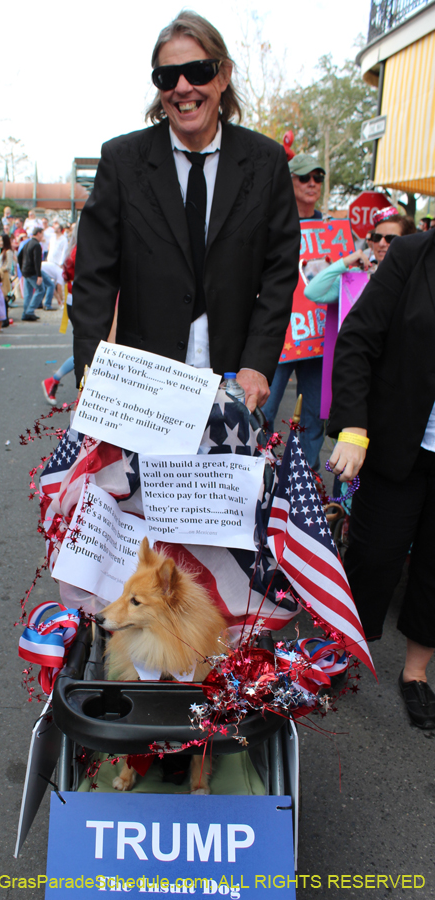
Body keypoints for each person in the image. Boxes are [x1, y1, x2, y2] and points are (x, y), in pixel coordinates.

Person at [70, 12, 300, 407]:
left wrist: (258, 363)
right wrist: (92, 375)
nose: (182, 87)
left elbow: (279, 272)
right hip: (143, 389)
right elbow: (95, 276)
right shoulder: (122, 160)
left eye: (197, 71)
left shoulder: (266, 162)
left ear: (223, 76)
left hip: (234, 383)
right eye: (167, 77)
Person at [328, 226, 435, 729]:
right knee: (373, 556)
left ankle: (415, 674)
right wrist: (354, 427)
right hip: (399, 443)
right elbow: (357, 340)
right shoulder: (415, 253)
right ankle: (343, 651)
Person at [259, 153, 327, 469]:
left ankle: (306, 483)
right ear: (290, 181)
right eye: (304, 177)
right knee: (263, 410)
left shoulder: (333, 230)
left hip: (318, 337)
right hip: (279, 335)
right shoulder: (271, 224)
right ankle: (263, 474)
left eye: (318, 177)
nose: (312, 183)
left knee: (314, 416)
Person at [18, 227, 44, 321]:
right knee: (40, 289)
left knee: (28, 293)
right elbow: (37, 261)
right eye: (42, 234)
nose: (42, 236)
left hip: (25, 271)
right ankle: (30, 311)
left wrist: (22, 268)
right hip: (32, 271)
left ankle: (25, 313)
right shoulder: (36, 245)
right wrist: (39, 275)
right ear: (38, 233)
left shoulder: (27, 243)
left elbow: (19, 256)